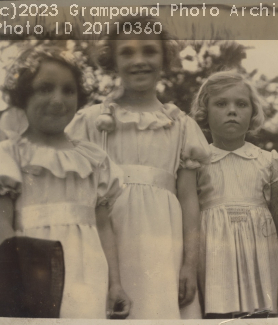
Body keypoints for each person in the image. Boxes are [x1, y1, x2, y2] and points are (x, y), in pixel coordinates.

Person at [66, 16, 211, 319]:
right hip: (107, 241)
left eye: (149, 51)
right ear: (112, 60)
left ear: (165, 57)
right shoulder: (91, 121)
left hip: (163, 244)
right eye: (127, 53)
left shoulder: (181, 126)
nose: (139, 61)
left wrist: (189, 264)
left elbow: (189, 200)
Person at [0, 45, 131, 319]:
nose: (58, 99)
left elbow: (103, 226)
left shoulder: (93, 159)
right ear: (22, 97)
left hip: (88, 273)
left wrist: (115, 284)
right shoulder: (7, 154)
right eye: (45, 88)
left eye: (68, 90)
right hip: (30, 270)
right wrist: (22, 279)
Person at [191, 71, 278, 318]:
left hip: (261, 264)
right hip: (213, 264)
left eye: (241, 104)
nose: (232, 111)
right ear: (205, 111)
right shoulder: (196, 162)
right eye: (221, 103)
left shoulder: (269, 162)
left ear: (253, 113)